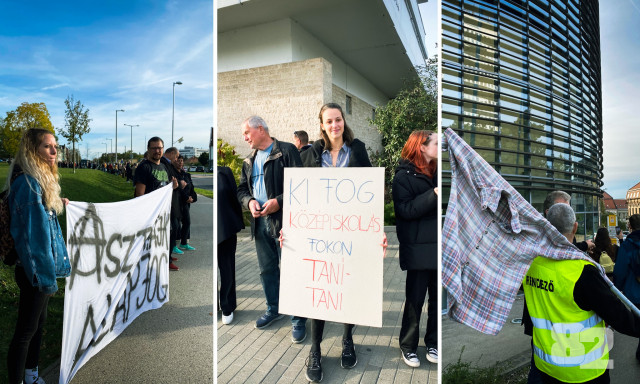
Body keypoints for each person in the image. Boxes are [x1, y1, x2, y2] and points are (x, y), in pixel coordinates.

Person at [524, 203, 640, 384]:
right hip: (584, 371)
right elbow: (619, 315)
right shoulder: (582, 271)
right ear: (575, 227)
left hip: (546, 366)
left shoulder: (532, 264)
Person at [300, 102, 374, 382]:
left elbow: (370, 193)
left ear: (344, 121)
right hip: (320, 235)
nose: (335, 125)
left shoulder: (358, 150)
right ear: (321, 124)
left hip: (351, 233)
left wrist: (375, 232)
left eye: (339, 120)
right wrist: (292, 231)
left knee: (348, 289)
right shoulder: (311, 154)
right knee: (321, 290)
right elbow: (300, 196)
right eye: (329, 121)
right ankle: (316, 349)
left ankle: (347, 339)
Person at [5, 128, 71, 384]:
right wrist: (46, 279)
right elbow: (36, 240)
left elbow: (42, 220)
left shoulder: (38, 181)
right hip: (35, 271)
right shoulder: (29, 184)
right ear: (33, 150)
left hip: (41, 269)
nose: (54, 151)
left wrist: (57, 205)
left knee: (37, 325)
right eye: (47, 146)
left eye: (55, 146)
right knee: (25, 332)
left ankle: (31, 374)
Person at [236, 115, 307, 340]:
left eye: (247, 132)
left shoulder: (286, 151)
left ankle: (298, 319)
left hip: (285, 223)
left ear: (260, 129)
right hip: (259, 224)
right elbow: (241, 190)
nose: (245, 137)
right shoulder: (248, 160)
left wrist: (279, 201)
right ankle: (274, 309)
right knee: (267, 269)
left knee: (291, 270)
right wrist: (249, 202)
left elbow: (302, 184)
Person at [392, 130, 439, 367]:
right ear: (421, 147)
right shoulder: (403, 176)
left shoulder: (440, 171)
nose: (440, 148)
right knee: (415, 300)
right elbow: (405, 210)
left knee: (437, 300)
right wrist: (433, 195)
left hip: (440, 246)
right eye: (436, 143)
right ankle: (408, 346)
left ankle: (434, 343)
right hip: (418, 249)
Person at [133, 137, 179, 271]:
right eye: (154, 148)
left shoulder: (164, 166)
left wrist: (174, 186)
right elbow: (139, 195)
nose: (157, 151)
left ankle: (160, 270)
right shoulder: (144, 167)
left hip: (164, 215)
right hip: (150, 217)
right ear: (148, 150)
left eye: (160, 148)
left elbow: (165, 187)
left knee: (162, 246)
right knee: (149, 250)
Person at [217, 166, 244, 325]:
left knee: (226, 269)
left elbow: (235, 197)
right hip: (209, 230)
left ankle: (227, 305)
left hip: (225, 228)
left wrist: (236, 223)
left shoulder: (224, 172)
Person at [613, 213, 640, 362]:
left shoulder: (628, 245)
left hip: (635, 293)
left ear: (630, 226)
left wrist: (618, 289)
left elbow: (620, 270)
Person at [162, 147, 188, 262]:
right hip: (169, 202)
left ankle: (169, 255)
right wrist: (177, 184)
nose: (177, 159)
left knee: (175, 228)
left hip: (174, 201)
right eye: (176, 156)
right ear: (171, 154)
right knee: (173, 228)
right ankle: (167, 257)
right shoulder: (164, 164)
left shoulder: (168, 165)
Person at [173, 155, 197, 251]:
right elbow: (178, 189)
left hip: (186, 202)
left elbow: (191, 188)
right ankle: (173, 245)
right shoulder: (174, 175)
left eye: (182, 161)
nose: (180, 163)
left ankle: (184, 243)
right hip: (177, 202)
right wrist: (187, 197)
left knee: (187, 222)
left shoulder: (186, 175)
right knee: (176, 225)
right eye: (178, 161)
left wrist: (193, 198)